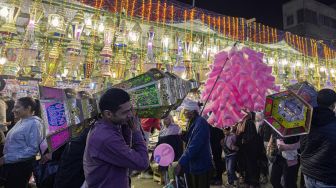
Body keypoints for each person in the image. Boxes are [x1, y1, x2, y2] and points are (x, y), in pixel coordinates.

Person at [83, 88, 149, 188]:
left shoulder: (108, 125)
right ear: (108, 114)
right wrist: (136, 131)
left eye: (130, 109)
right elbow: (142, 163)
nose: (130, 115)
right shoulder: (106, 137)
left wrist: (127, 126)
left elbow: (126, 149)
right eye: (125, 112)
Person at [0, 97, 44, 188]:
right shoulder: (22, 120)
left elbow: (33, 150)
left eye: (17, 107)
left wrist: (6, 158)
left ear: (28, 108)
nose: (13, 110)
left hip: (20, 167)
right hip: (12, 165)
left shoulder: (34, 124)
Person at [301, 89, 336, 187]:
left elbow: (302, 145)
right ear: (333, 105)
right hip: (326, 177)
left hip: (308, 173)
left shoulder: (305, 121)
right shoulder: (333, 124)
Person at [175, 98, 213, 188]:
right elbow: (190, 140)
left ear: (191, 112)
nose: (184, 113)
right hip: (194, 164)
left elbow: (194, 146)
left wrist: (181, 162)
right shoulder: (192, 122)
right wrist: (183, 135)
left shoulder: (201, 123)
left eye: (185, 111)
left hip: (201, 164)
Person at [236, 111, 264, 188]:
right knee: (247, 166)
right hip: (245, 149)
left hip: (250, 149)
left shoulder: (249, 123)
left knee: (251, 166)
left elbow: (251, 136)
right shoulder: (242, 123)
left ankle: (253, 183)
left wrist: (244, 140)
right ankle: (248, 181)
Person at [156, 114, 183, 185]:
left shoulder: (176, 128)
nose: (165, 120)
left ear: (171, 119)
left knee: (173, 173)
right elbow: (159, 144)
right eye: (164, 119)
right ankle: (168, 184)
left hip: (174, 155)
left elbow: (179, 143)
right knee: (165, 173)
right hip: (164, 155)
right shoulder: (162, 130)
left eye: (167, 118)